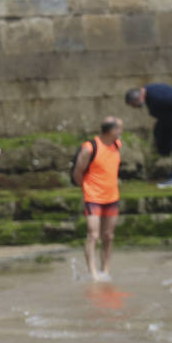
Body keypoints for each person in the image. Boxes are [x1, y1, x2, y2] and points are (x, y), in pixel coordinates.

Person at [74, 116, 124, 282]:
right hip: (93, 197)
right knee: (93, 235)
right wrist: (86, 188)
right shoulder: (90, 147)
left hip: (112, 196)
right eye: (119, 129)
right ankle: (93, 273)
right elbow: (78, 170)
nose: (121, 132)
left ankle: (106, 269)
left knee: (109, 235)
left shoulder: (117, 145)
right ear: (111, 131)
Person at [125, 83, 172, 188]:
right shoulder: (149, 94)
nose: (135, 107)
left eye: (133, 104)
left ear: (138, 98)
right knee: (162, 135)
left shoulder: (156, 94)